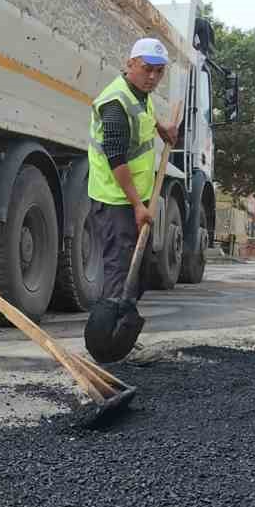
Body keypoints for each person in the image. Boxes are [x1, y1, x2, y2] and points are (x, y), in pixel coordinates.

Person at [87, 38, 181, 310]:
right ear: (130, 64)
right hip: (116, 200)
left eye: (159, 71)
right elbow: (116, 157)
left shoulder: (139, 94)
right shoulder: (115, 102)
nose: (152, 76)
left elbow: (142, 119)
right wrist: (138, 206)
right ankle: (107, 338)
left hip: (134, 199)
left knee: (137, 272)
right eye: (146, 68)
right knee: (120, 272)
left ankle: (122, 327)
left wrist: (161, 127)